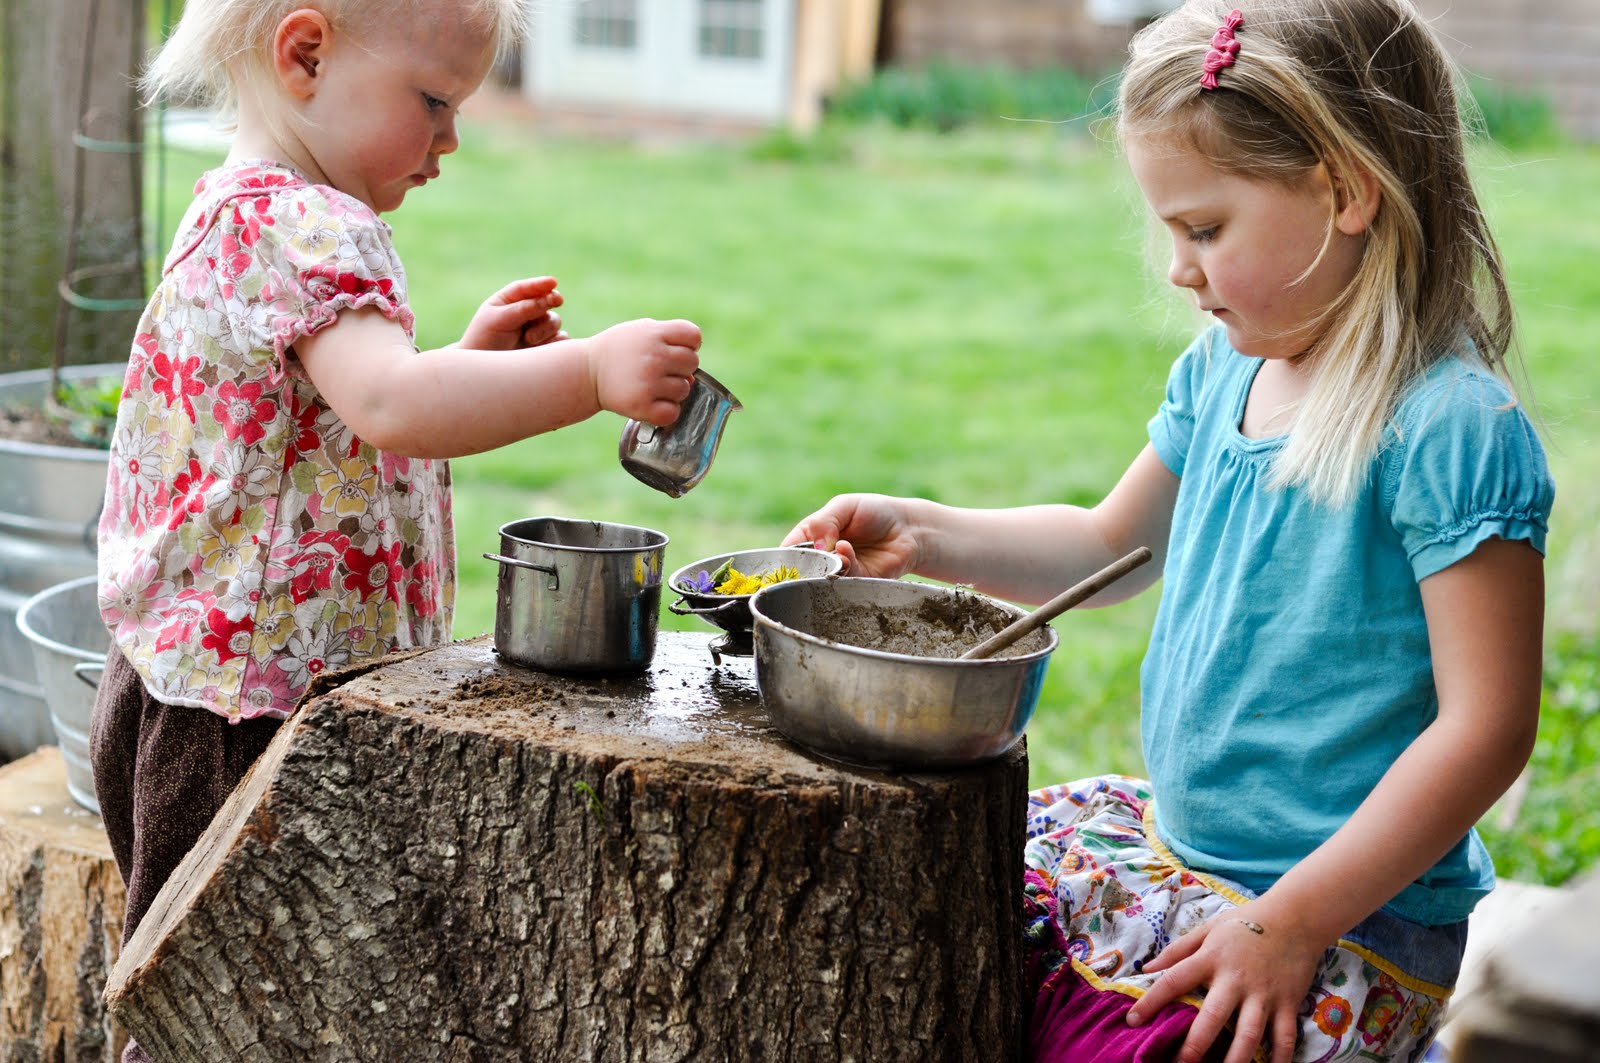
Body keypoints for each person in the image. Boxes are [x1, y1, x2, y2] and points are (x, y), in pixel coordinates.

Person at [783, 1, 1553, 1060]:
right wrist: (920, 530)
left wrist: (1287, 924)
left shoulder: (1448, 428)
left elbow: (1486, 730)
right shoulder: (1223, 370)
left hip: (1340, 915)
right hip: (1186, 848)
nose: (1179, 268)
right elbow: (1109, 549)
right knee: (935, 911)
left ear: (1344, 191)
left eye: (1203, 229)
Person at [90, 3, 700, 1054]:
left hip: (190, 694)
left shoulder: (242, 209)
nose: (449, 142)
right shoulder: (312, 226)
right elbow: (392, 405)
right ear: (306, 53)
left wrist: (471, 361)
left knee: (206, 998)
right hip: (254, 725)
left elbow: (327, 433)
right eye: (433, 103)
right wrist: (588, 372)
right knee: (235, 1011)